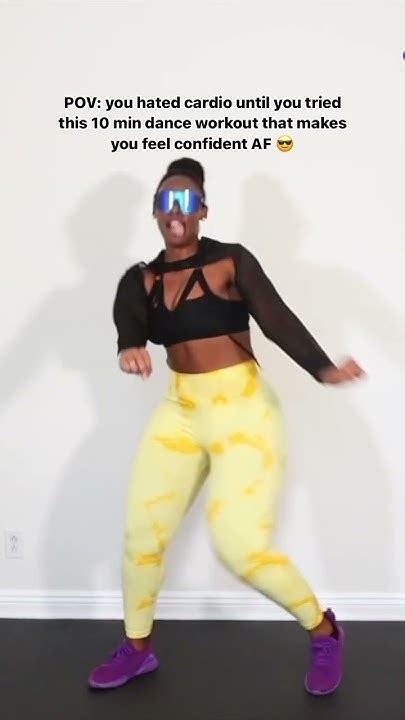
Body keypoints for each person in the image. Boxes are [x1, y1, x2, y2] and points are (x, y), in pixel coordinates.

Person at [88, 157, 365, 695]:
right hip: (180, 412)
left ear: (203, 211)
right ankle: (137, 649)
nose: (176, 210)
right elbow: (129, 319)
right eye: (166, 200)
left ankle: (324, 630)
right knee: (141, 536)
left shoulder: (230, 261)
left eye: (187, 200)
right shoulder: (140, 279)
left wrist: (323, 369)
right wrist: (129, 347)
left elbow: (276, 318)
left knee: (239, 547)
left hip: (244, 412)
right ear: (154, 212)